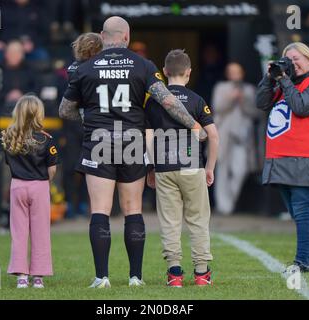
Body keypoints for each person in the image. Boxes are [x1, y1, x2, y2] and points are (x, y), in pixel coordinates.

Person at [59, 16, 206, 288]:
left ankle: (101, 277)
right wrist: (194, 125)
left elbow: (64, 110)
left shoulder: (84, 67)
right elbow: (169, 101)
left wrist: (88, 116)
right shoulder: (143, 65)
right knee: (133, 210)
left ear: (103, 36)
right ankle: (135, 277)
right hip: (132, 142)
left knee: (100, 211)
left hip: (99, 140)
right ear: (126, 37)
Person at [256, 42, 309, 272]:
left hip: (306, 156)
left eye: (296, 59)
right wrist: (270, 78)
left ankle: (301, 262)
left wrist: (283, 80)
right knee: (299, 214)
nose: (292, 64)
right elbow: (261, 102)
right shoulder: (285, 84)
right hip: (282, 157)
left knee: (303, 212)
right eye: (288, 60)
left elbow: (300, 107)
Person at [145, 49, 219, 287]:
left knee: (170, 221)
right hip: (191, 164)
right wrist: (210, 167)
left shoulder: (154, 101)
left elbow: (147, 138)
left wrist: (152, 166)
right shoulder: (197, 99)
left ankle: (174, 273)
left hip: (165, 166)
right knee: (197, 219)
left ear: (164, 72)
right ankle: (201, 273)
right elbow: (213, 136)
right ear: (189, 72)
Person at [1, 94, 59, 288]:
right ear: (39, 114)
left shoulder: (9, 137)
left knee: (19, 233)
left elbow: (9, 165)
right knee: (40, 232)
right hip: (39, 186)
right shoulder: (46, 139)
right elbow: (52, 169)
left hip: (17, 185)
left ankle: (21, 277)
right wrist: (44, 182)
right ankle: (38, 277)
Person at [63, 33, 102, 218]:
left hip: (84, 123)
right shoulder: (79, 69)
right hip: (83, 124)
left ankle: (84, 204)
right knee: (77, 167)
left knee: (89, 167)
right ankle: (73, 203)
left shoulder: (76, 67)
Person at [211, 62, 259, 215]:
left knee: (240, 170)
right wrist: (230, 99)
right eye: (231, 71)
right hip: (224, 134)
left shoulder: (250, 90)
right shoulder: (221, 88)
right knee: (222, 170)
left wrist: (243, 99)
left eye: (237, 71)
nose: (234, 74)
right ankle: (224, 206)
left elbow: (257, 113)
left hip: (242, 136)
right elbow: (216, 108)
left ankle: (230, 200)